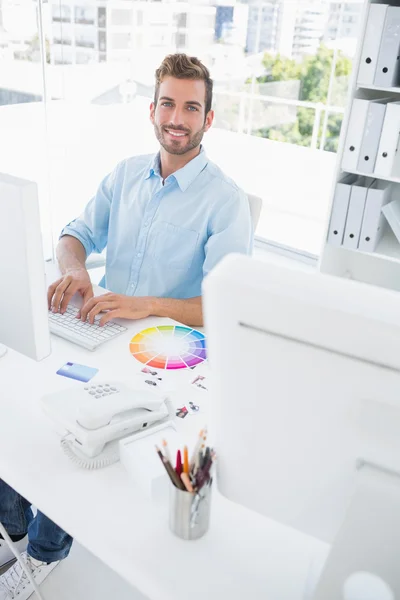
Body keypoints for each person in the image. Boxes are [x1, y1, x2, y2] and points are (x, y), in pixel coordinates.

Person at [0, 53, 252, 599]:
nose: (176, 117)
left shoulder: (226, 203)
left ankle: (43, 552)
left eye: (191, 106)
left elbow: (224, 307)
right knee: (17, 399)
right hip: (102, 332)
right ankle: (13, 528)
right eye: (168, 103)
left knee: (80, 433)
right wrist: (74, 274)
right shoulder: (125, 174)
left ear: (209, 119)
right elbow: (73, 235)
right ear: (153, 109)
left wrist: (143, 304)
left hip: (167, 356)